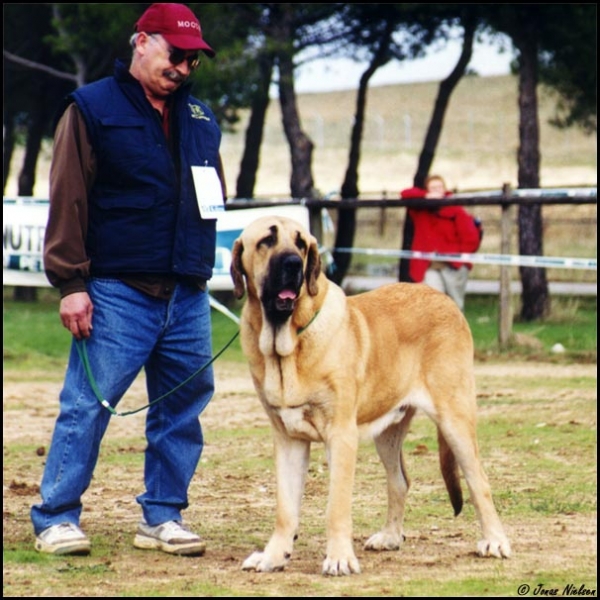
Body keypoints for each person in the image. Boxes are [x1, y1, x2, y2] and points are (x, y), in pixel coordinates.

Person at [31, 3, 226, 557]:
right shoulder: (89, 108)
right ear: (142, 41)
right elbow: (68, 199)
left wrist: (206, 271)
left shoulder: (202, 119)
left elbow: (212, 199)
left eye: (193, 59)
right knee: (87, 406)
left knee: (183, 408)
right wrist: (71, 284)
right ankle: (56, 517)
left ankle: (162, 516)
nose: (184, 67)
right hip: (117, 291)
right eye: (175, 53)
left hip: (187, 293)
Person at [399, 175, 481, 311]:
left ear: (444, 189)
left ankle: (456, 332)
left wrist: (461, 260)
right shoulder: (420, 210)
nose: (436, 191)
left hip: (453, 266)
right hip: (429, 266)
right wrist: (426, 196)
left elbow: (471, 238)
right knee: (433, 305)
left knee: (454, 307)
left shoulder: (455, 209)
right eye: (432, 188)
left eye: (439, 187)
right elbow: (405, 194)